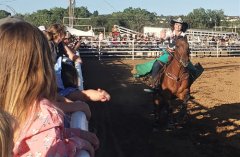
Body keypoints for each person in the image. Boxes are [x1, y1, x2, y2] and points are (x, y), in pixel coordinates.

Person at [0, 19, 99, 157]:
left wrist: (76, 133)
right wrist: (78, 143)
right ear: (43, 68)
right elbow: (52, 149)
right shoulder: (42, 113)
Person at [134, 17, 204, 89]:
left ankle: (187, 86)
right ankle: (154, 83)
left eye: (180, 25)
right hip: (169, 54)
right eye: (176, 24)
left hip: (180, 55)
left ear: (182, 26)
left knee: (193, 69)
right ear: (174, 25)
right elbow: (162, 39)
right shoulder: (170, 33)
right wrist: (162, 39)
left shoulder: (184, 35)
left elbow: (185, 46)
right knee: (156, 65)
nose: (178, 26)